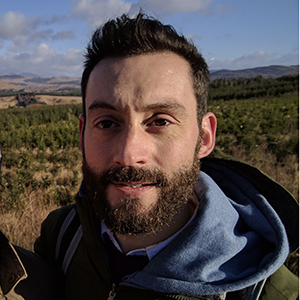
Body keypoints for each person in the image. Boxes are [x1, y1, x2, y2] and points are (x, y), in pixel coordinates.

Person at [0, 13, 298, 300]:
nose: (129, 154)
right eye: (107, 123)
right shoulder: (64, 235)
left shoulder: (270, 293)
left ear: (205, 136)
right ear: (82, 134)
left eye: (160, 121)